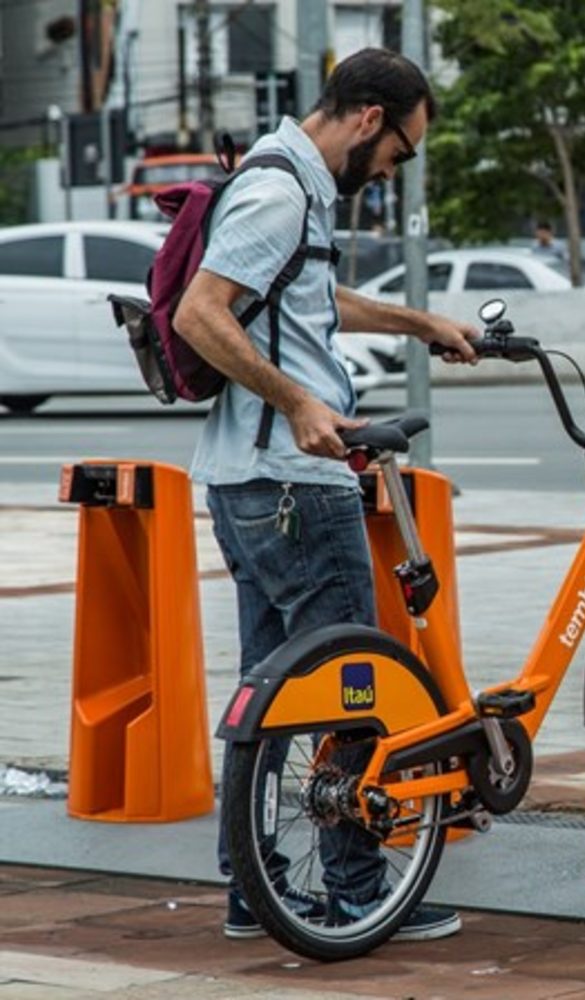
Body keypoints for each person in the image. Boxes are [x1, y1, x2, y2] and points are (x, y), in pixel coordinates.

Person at [173, 47, 478, 944]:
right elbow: (202, 311)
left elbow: (305, 300)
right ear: (370, 120)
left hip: (248, 482)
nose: (391, 174)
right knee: (356, 687)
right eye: (400, 155)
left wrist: (421, 323)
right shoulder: (280, 189)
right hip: (293, 485)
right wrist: (301, 401)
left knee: (270, 703)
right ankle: (354, 889)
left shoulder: (290, 182)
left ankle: (252, 890)